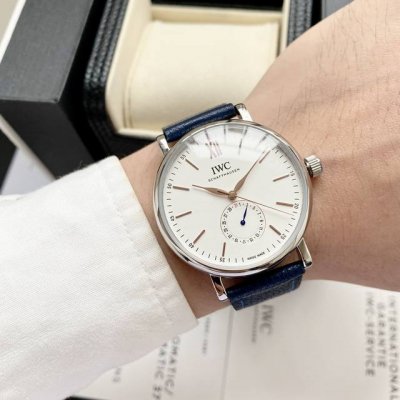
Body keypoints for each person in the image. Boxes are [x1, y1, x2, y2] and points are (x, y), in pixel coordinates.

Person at [1, 0, 399, 398]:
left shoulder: (280, 188)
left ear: (307, 166)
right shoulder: (226, 257)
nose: (232, 195)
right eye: (227, 193)